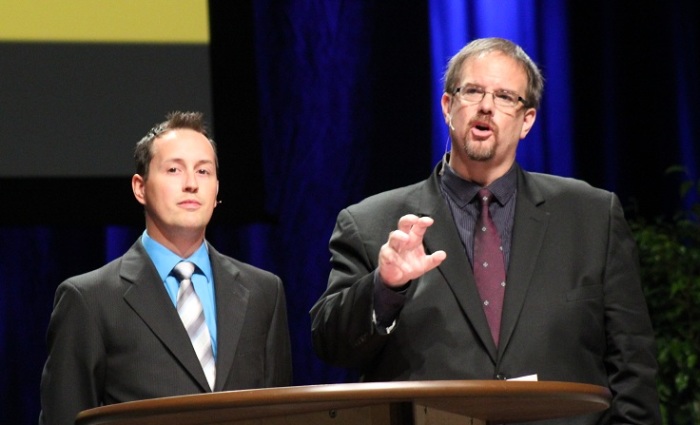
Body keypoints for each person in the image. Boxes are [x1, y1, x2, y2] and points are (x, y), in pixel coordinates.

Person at [310, 38, 660, 424]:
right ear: (448, 106)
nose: (487, 106)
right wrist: (385, 288)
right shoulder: (371, 222)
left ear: (527, 121)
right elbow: (330, 345)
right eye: (473, 91)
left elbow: (633, 366)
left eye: (506, 96)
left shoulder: (592, 216)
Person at [39, 111, 292, 425]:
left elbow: (281, 412)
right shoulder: (90, 298)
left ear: (216, 190)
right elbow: (63, 417)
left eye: (203, 171)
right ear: (140, 188)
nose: (191, 184)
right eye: (174, 169)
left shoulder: (263, 292)